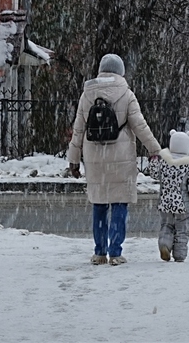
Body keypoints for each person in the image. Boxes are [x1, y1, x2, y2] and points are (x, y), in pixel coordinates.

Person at [67, 53, 162, 266]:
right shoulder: (126, 94)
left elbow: (78, 130)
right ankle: (115, 252)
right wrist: (155, 149)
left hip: (94, 157)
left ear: (101, 69)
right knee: (120, 204)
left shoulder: (87, 94)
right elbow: (140, 126)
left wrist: (73, 160)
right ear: (120, 71)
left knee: (99, 204)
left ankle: (99, 252)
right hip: (121, 157)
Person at [148, 130, 189, 263]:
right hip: (183, 205)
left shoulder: (164, 162)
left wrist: (154, 161)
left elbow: (154, 173)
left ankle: (164, 244)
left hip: (165, 203)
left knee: (167, 225)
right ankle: (179, 254)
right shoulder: (188, 166)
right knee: (182, 230)